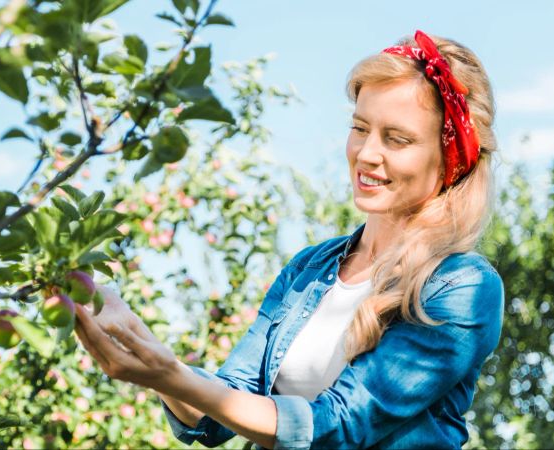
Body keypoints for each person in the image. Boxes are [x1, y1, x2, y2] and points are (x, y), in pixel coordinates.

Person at [73, 29, 504, 449]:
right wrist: (144, 347)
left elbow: (337, 427)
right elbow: (219, 410)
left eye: (397, 139)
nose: (366, 153)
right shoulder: (310, 268)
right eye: (360, 128)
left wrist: (169, 374)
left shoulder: (461, 288)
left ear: (450, 159)